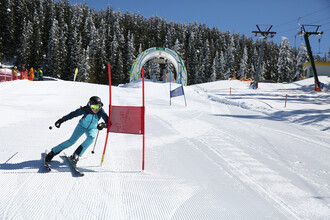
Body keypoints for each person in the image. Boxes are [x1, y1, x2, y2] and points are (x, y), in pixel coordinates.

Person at [45, 96, 109, 165]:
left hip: (92, 128)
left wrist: (103, 125)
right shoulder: (85, 109)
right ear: (90, 105)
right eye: (94, 107)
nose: (96, 109)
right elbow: (73, 114)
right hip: (81, 126)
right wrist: (61, 120)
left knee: (91, 138)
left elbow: (108, 123)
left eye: (98, 107)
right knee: (71, 141)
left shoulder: (101, 111)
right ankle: (53, 152)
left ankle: (76, 154)